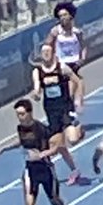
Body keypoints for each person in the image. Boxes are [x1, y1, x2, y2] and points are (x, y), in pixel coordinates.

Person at [31, 43, 85, 185]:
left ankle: (79, 129)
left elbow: (77, 81)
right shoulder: (37, 71)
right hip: (51, 111)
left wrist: (79, 100)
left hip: (65, 108)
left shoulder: (61, 67)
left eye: (48, 52)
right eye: (44, 52)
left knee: (72, 140)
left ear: (53, 53)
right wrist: (36, 94)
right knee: (57, 146)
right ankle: (75, 171)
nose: (46, 55)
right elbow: (37, 87)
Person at [47, 1, 86, 74]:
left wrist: (82, 59)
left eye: (65, 15)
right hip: (61, 64)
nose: (62, 18)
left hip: (74, 63)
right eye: (60, 16)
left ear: (70, 16)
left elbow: (83, 46)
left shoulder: (77, 32)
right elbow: (47, 47)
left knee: (78, 83)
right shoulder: (55, 31)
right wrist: (52, 62)